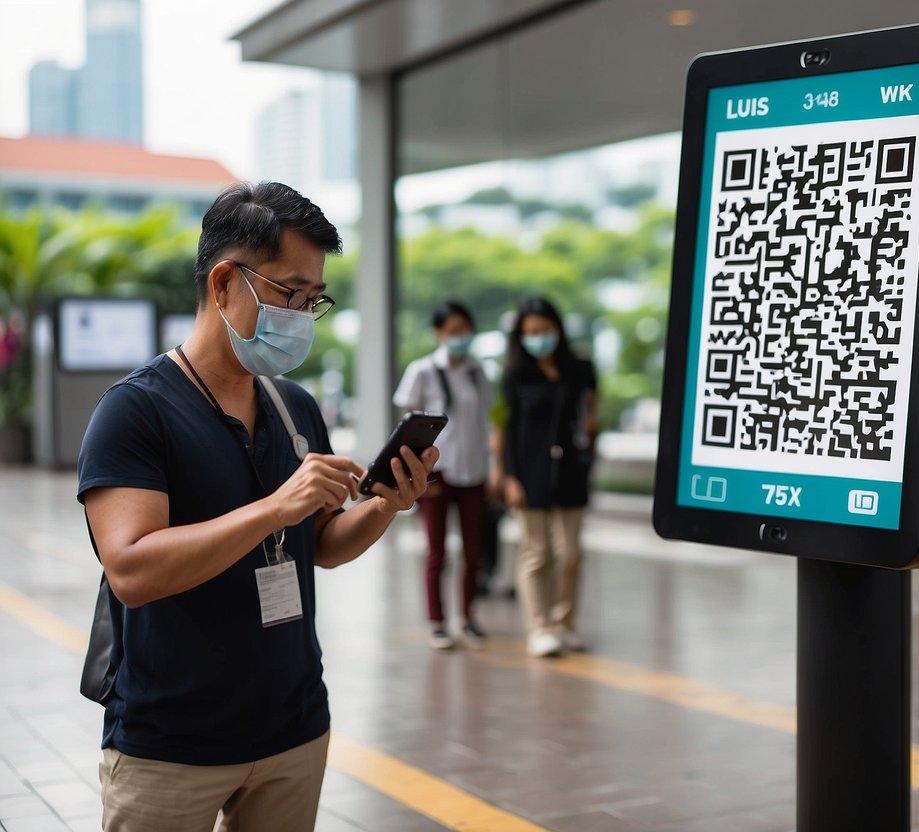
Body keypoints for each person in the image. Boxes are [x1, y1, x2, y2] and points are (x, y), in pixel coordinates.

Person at [77, 181, 438, 832]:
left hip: (292, 730)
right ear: (223, 284)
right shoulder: (134, 411)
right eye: (287, 292)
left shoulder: (292, 406)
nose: (301, 313)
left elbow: (320, 546)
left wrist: (385, 505)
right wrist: (274, 509)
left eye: (313, 298)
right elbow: (131, 571)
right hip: (170, 746)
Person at [499, 295, 598, 658]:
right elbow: (507, 427)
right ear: (521, 336)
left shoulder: (581, 367)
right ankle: (539, 628)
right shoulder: (514, 374)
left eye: (545, 329)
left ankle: (564, 624)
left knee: (571, 553)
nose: (539, 337)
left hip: (571, 468)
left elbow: (591, 412)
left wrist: (590, 449)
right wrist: (509, 476)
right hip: (529, 471)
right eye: (532, 332)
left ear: (558, 328)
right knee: (537, 553)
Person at [393, 299, 492, 650]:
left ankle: (467, 617)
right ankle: (437, 621)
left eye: (465, 330)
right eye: (453, 331)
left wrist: (491, 468)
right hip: (438, 473)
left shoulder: (478, 372)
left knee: (473, 550)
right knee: (437, 551)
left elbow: (484, 423)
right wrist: (417, 473)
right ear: (438, 333)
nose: (460, 337)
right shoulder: (422, 370)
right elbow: (409, 426)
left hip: (474, 471)